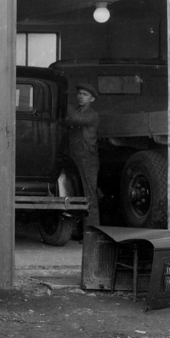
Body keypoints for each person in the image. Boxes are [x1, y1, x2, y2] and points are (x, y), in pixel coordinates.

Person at [65, 82, 101, 229]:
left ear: (92, 99)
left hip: (87, 158)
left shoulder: (92, 115)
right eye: (79, 93)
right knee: (75, 193)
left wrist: (63, 101)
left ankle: (91, 231)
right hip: (75, 156)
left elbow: (74, 119)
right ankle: (80, 230)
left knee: (89, 194)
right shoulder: (77, 112)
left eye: (85, 95)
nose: (81, 96)